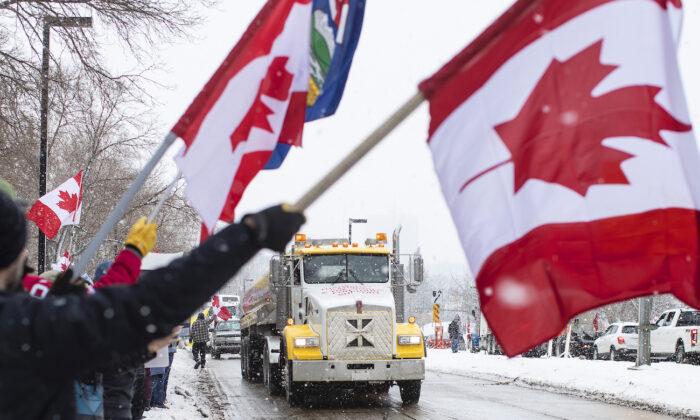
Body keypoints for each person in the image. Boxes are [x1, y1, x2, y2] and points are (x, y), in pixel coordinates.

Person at [0, 189, 305, 419]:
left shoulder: (26, 318)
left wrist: (132, 254)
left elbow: (110, 307)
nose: (27, 258)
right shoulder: (21, 323)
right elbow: (147, 302)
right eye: (20, 248)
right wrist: (249, 234)